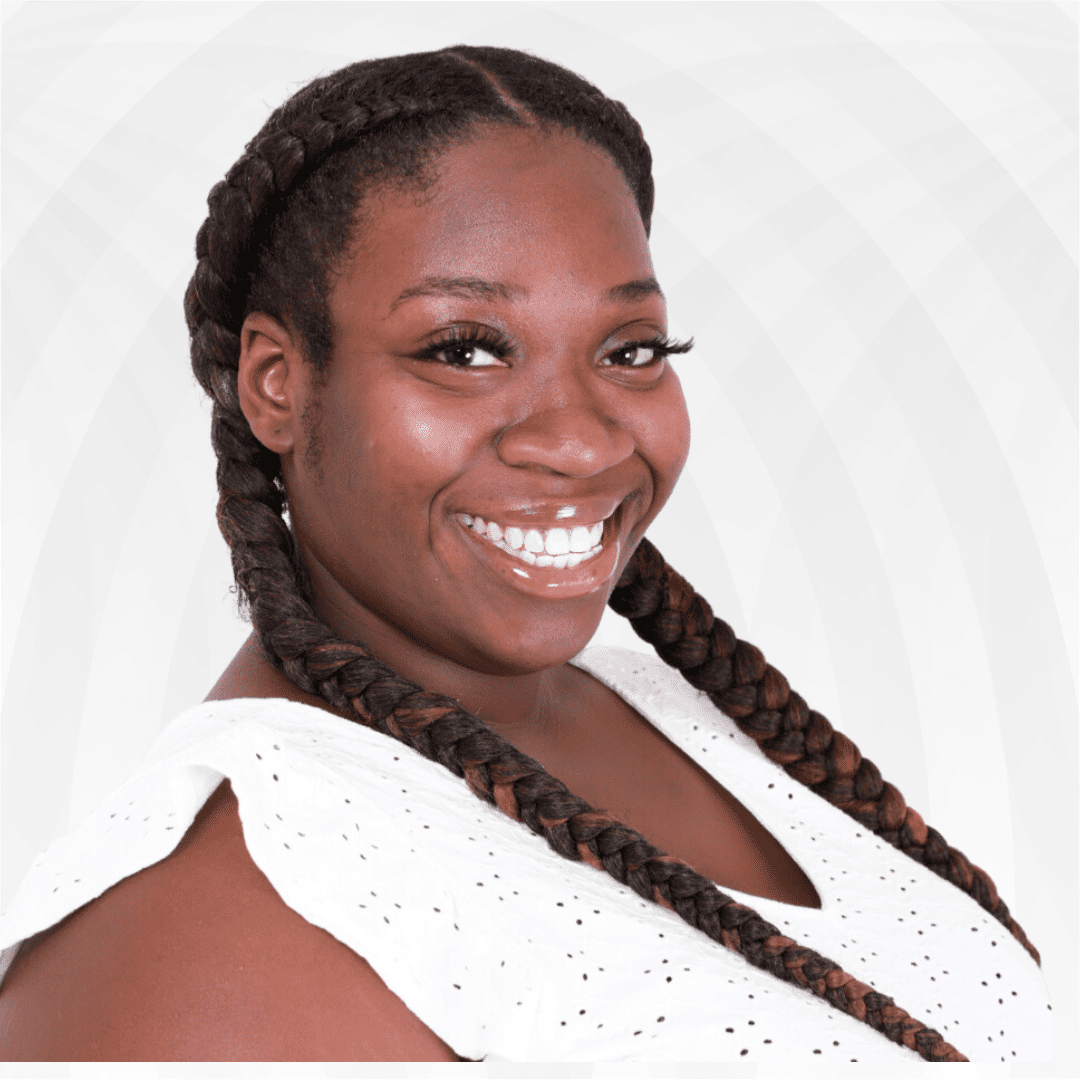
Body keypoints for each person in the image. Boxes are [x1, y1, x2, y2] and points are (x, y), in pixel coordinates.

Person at [0, 46, 1050, 1062]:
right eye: (464, 351)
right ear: (277, 382)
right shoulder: (211, 924)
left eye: (630, 351)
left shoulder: (672, 706)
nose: (582, 438)